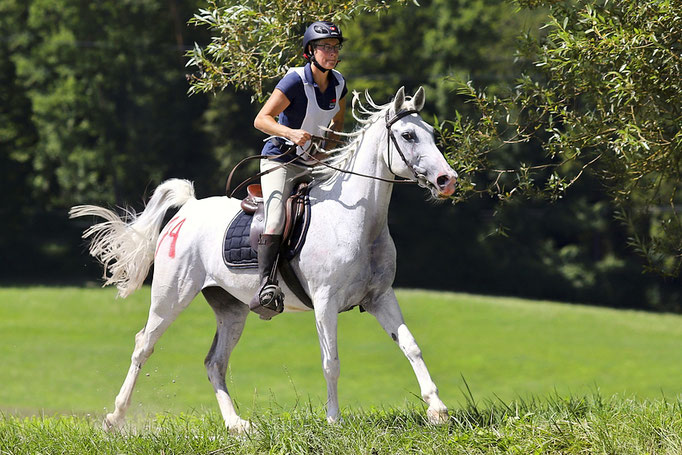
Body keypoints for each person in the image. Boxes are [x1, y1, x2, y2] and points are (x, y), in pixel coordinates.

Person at [250, 20, 348, 317]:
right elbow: (261, 119)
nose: (332, 53)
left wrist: (326, 151)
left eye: (335, 47)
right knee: (277, 216)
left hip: (310, 164)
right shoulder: (294, 81)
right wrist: (290, 133)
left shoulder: (339, 83)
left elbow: (339, 123)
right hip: (280, 160)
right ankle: (266, 285)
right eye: (325, 47)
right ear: (310, 51)